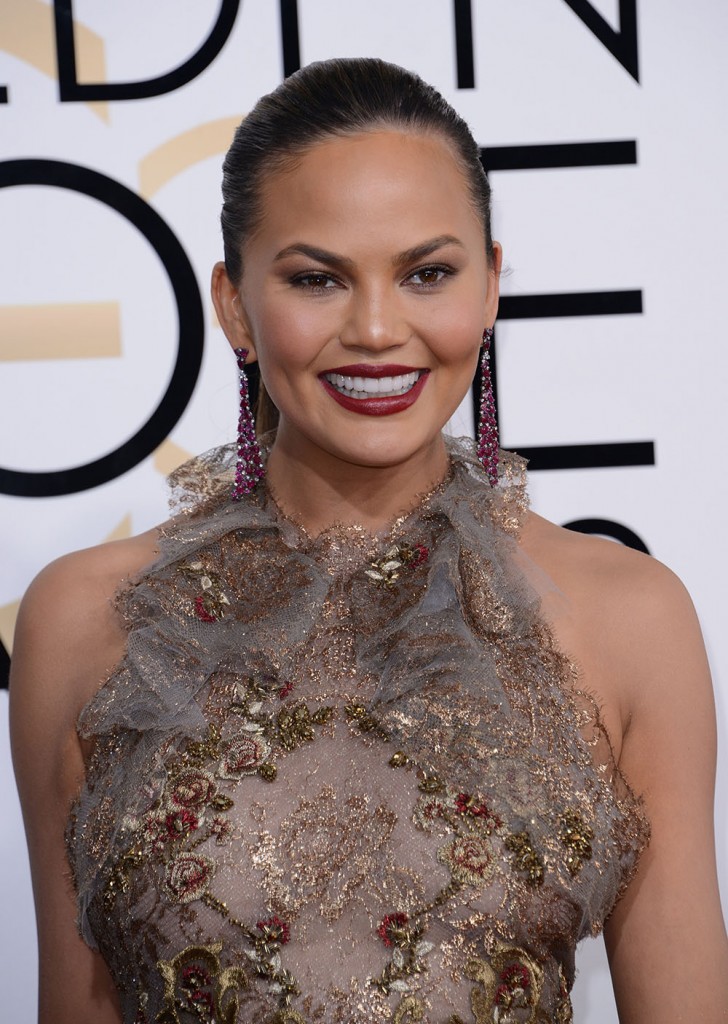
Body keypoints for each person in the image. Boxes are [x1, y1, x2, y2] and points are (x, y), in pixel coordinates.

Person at [9, 57, 728, 1024]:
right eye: (318, 279)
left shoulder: (632, 617)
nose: (380, 328)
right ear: (234, 307)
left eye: (428, 273)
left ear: (490, 288)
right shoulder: (86, 622)